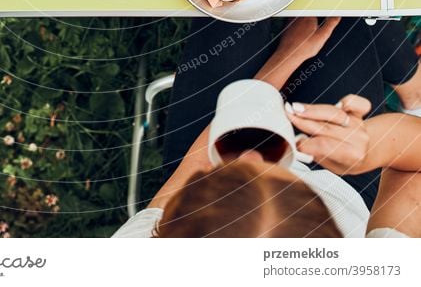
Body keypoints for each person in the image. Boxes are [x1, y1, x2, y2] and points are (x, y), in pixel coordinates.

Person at [114, 17, 421, 237]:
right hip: (346, 183)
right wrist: (368, 150)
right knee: (347, 19)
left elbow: (189, 173)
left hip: (192, 175)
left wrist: (285, 58)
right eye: (285, 188)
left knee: (231, 6)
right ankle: (415, 90)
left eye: (225, 189)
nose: (247, 156)